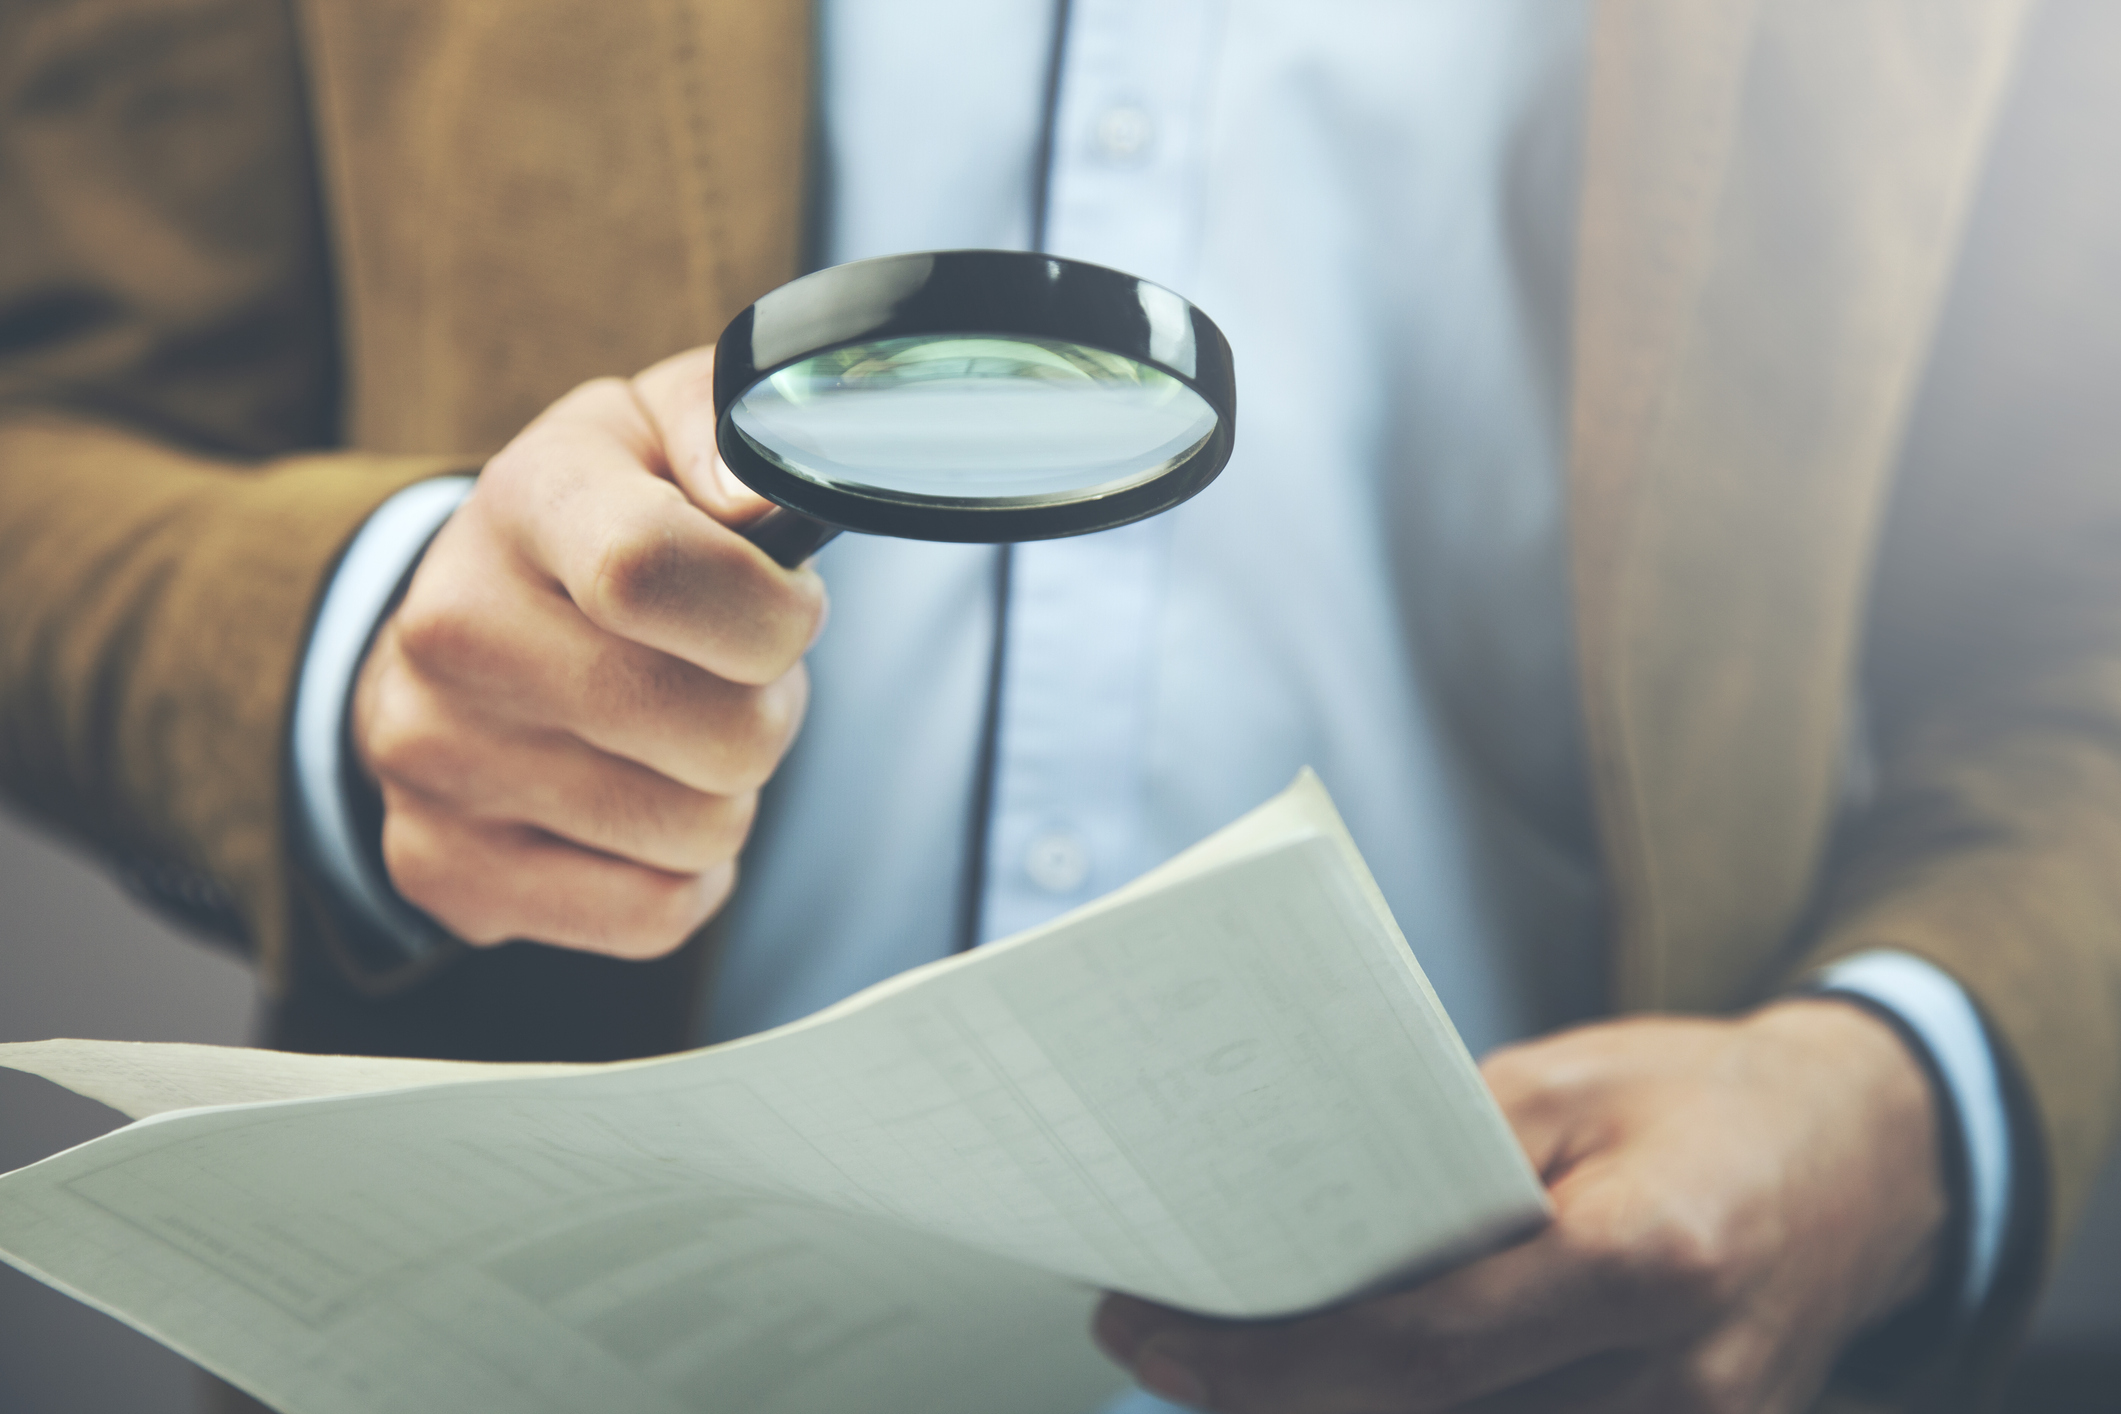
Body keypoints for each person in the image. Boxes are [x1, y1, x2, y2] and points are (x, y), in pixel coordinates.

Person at [3, 3, 2119, 1412]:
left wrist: (1893, 1091)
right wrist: (361, 625)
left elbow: (2076, 609)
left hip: (1527, 1329)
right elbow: (48, 407)